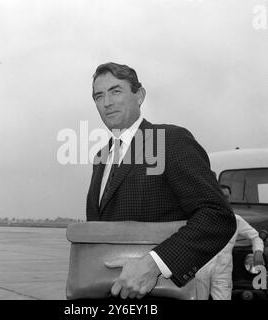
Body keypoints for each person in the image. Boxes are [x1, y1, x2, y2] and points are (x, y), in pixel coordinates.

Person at [86, 62, 236, 300]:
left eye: (116, 91)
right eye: (98, 96)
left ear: (140, 95)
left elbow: (218, 216)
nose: (107, 102)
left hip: (158, 294)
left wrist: (154, 265)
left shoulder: (169, 141)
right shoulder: (101, 158)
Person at [195, 214, 265, 300]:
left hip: (223, 271)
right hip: (199, 270)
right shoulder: (197, 217)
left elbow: (255, 236)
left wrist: (258, 251)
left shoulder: (235, 219)